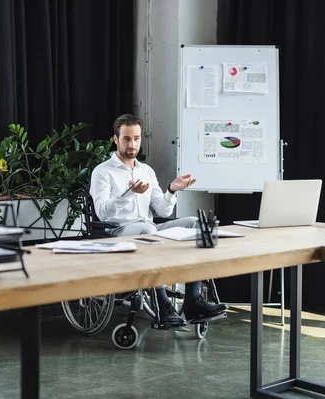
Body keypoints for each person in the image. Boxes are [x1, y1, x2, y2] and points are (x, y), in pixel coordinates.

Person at [90, 114, 227, 326]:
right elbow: (102, 213)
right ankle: (163, 305)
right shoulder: (103, 172)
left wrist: (172, 190)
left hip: (150, 229)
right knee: (147, 227)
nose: (132, 144)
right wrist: (128, 192)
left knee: (196, 223)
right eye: (126, 139)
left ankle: (193, 301)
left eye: (136, 138)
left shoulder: (146, 170)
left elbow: (162, 209)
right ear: (116, 139)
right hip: (118, 231)